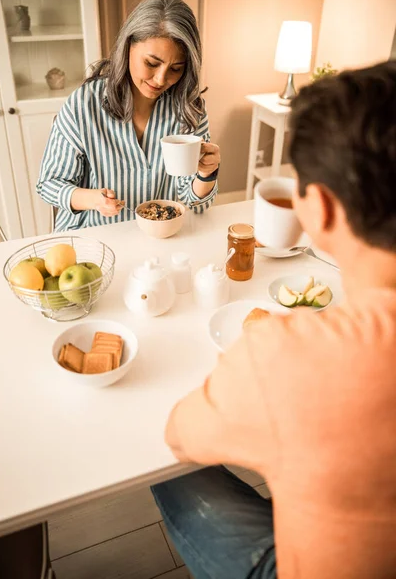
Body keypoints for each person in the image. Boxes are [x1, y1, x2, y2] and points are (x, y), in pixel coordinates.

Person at [151, 61, 396, 579]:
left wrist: (259, 361)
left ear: (321, 208)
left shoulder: (287, 353)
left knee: (169, 471)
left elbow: (181, 435)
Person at [37, 0, 220, 232]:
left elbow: (194, 205)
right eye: (152, 63)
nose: (161, 79)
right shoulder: (85, 103)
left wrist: (207, 174)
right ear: (128, 46)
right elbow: (49, 185)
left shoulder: (188, 108)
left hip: (161, 235)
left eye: (175, 69)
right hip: (93, 234)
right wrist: (94, 199)